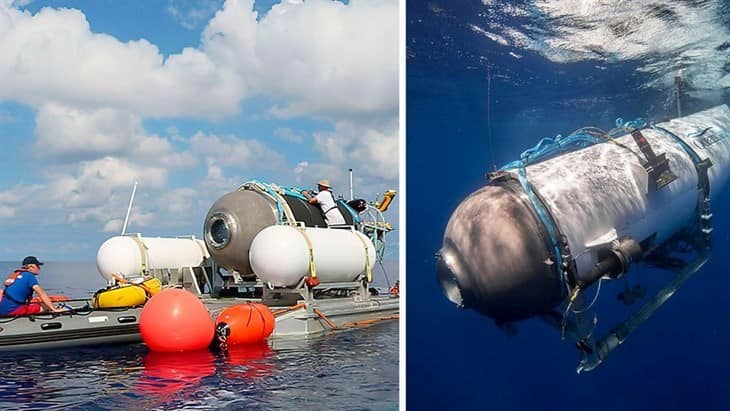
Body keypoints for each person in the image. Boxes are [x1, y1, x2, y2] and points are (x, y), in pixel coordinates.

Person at [0, 256, 66, 316]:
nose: (39, 268)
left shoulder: (18, 274)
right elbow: (41, 293)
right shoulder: (29, 276)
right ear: (31, 267)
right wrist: (54, 309)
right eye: (38, 266)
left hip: (2, 307)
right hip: (12, 310)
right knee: (45, 307)